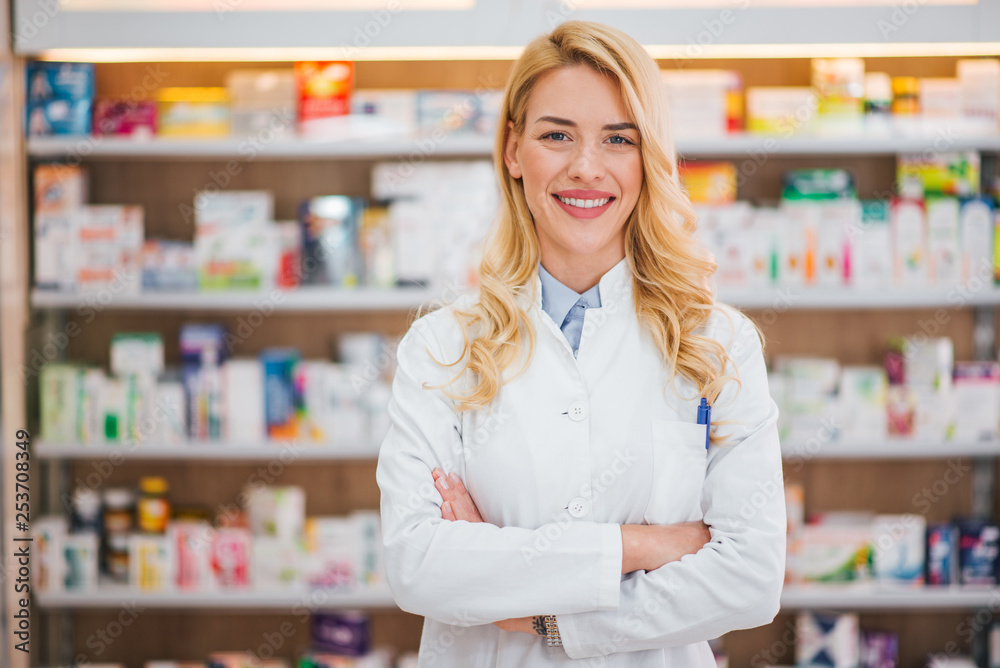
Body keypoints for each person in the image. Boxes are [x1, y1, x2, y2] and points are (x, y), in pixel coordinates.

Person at [375, 20, 785, 667]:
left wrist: (544, 618)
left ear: (647, 155)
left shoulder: (718, 343)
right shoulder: (441, 347)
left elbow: (752, 580)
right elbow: (417, 563)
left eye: (618, 139)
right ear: (513, 149)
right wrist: (642, 546)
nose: (586, 167)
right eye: (556, 134)